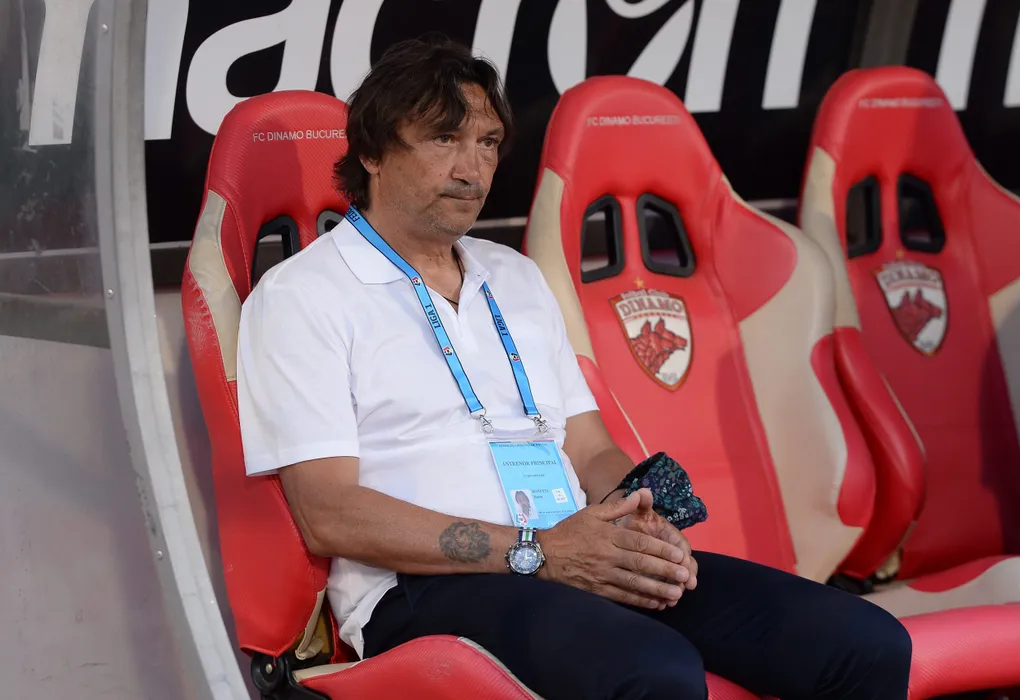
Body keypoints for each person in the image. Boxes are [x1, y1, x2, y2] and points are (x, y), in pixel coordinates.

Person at [236, 37, 912, 700]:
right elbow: (329, 513)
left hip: (575, 555)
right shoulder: (304, 295)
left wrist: (639, 519)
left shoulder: (515, 275)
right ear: (372, 153)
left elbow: (588, 447)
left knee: (864, 643)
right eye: (444, 140)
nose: (473, 170)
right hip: (422, 587)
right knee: (652, 671)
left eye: (488, 143)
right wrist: (537, 551)